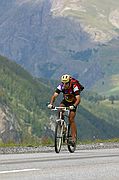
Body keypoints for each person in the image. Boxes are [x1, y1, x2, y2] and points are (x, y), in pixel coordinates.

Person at [48, 74, 84, 145]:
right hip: (66, 101)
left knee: (71, 119)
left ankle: (73, 138)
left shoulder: (74, 87)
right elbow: (54, 96)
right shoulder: (61, 86)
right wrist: (51, 104)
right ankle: (63, 128)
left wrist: (74, 106)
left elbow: (78, 99)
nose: (64, 85)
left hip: (74, 102)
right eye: (63, 83)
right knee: (60, 111)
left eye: (66, 83)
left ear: (69, 82)